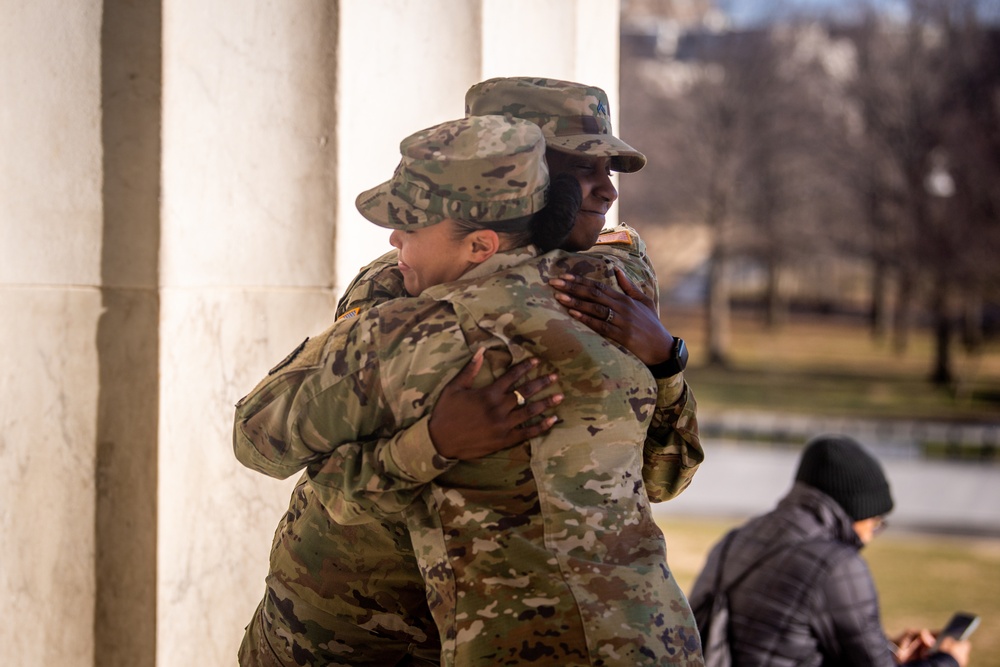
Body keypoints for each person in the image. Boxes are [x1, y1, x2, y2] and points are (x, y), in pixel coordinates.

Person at [236, 77, 703, 666]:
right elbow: (327, 474)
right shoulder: (403, 289)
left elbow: (654, 479)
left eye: (608, 168)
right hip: (345, 623)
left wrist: (667, 361)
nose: (606, 190)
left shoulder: (613, 288)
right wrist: (433, 444)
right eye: (581, 167)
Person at [688, 435, 972, 667]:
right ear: (855, 511)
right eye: (875, 523)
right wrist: (947, 659)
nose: (871, 536)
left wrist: (888, 649)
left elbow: (782, 641)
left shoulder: (736, 539)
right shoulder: (837, 565)